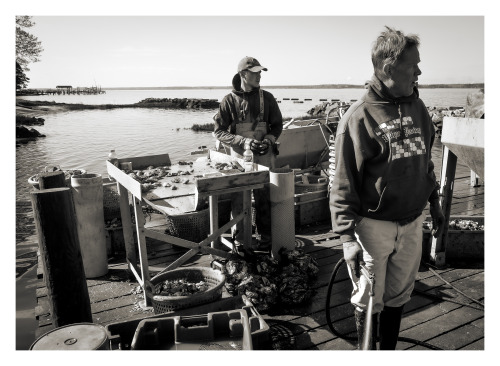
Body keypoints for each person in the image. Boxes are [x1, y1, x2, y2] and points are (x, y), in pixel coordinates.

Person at [329, 27, 445, 350]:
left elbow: (426, 163)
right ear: (388, 68)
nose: (419, 71)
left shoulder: (419, 110)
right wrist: (346, 240)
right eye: (413, 65)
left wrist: (434, 202)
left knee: (397, 297)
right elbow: (342, 183)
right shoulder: (358, 118)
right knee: (368, 301)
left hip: (412, 223)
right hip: (373, 227)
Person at [213, 56, 283, 252]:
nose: (259, 75)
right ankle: (242, 241)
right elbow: (219, 132)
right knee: (239, 199)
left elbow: (277, 125)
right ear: (243, 74)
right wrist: (243, 141)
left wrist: (269, 139)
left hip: (265, 157)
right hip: (239, 160)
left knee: (265, 198)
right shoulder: (228, 101)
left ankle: (267, 240)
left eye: (260, 72)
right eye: (256, 72)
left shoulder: (267, 98)